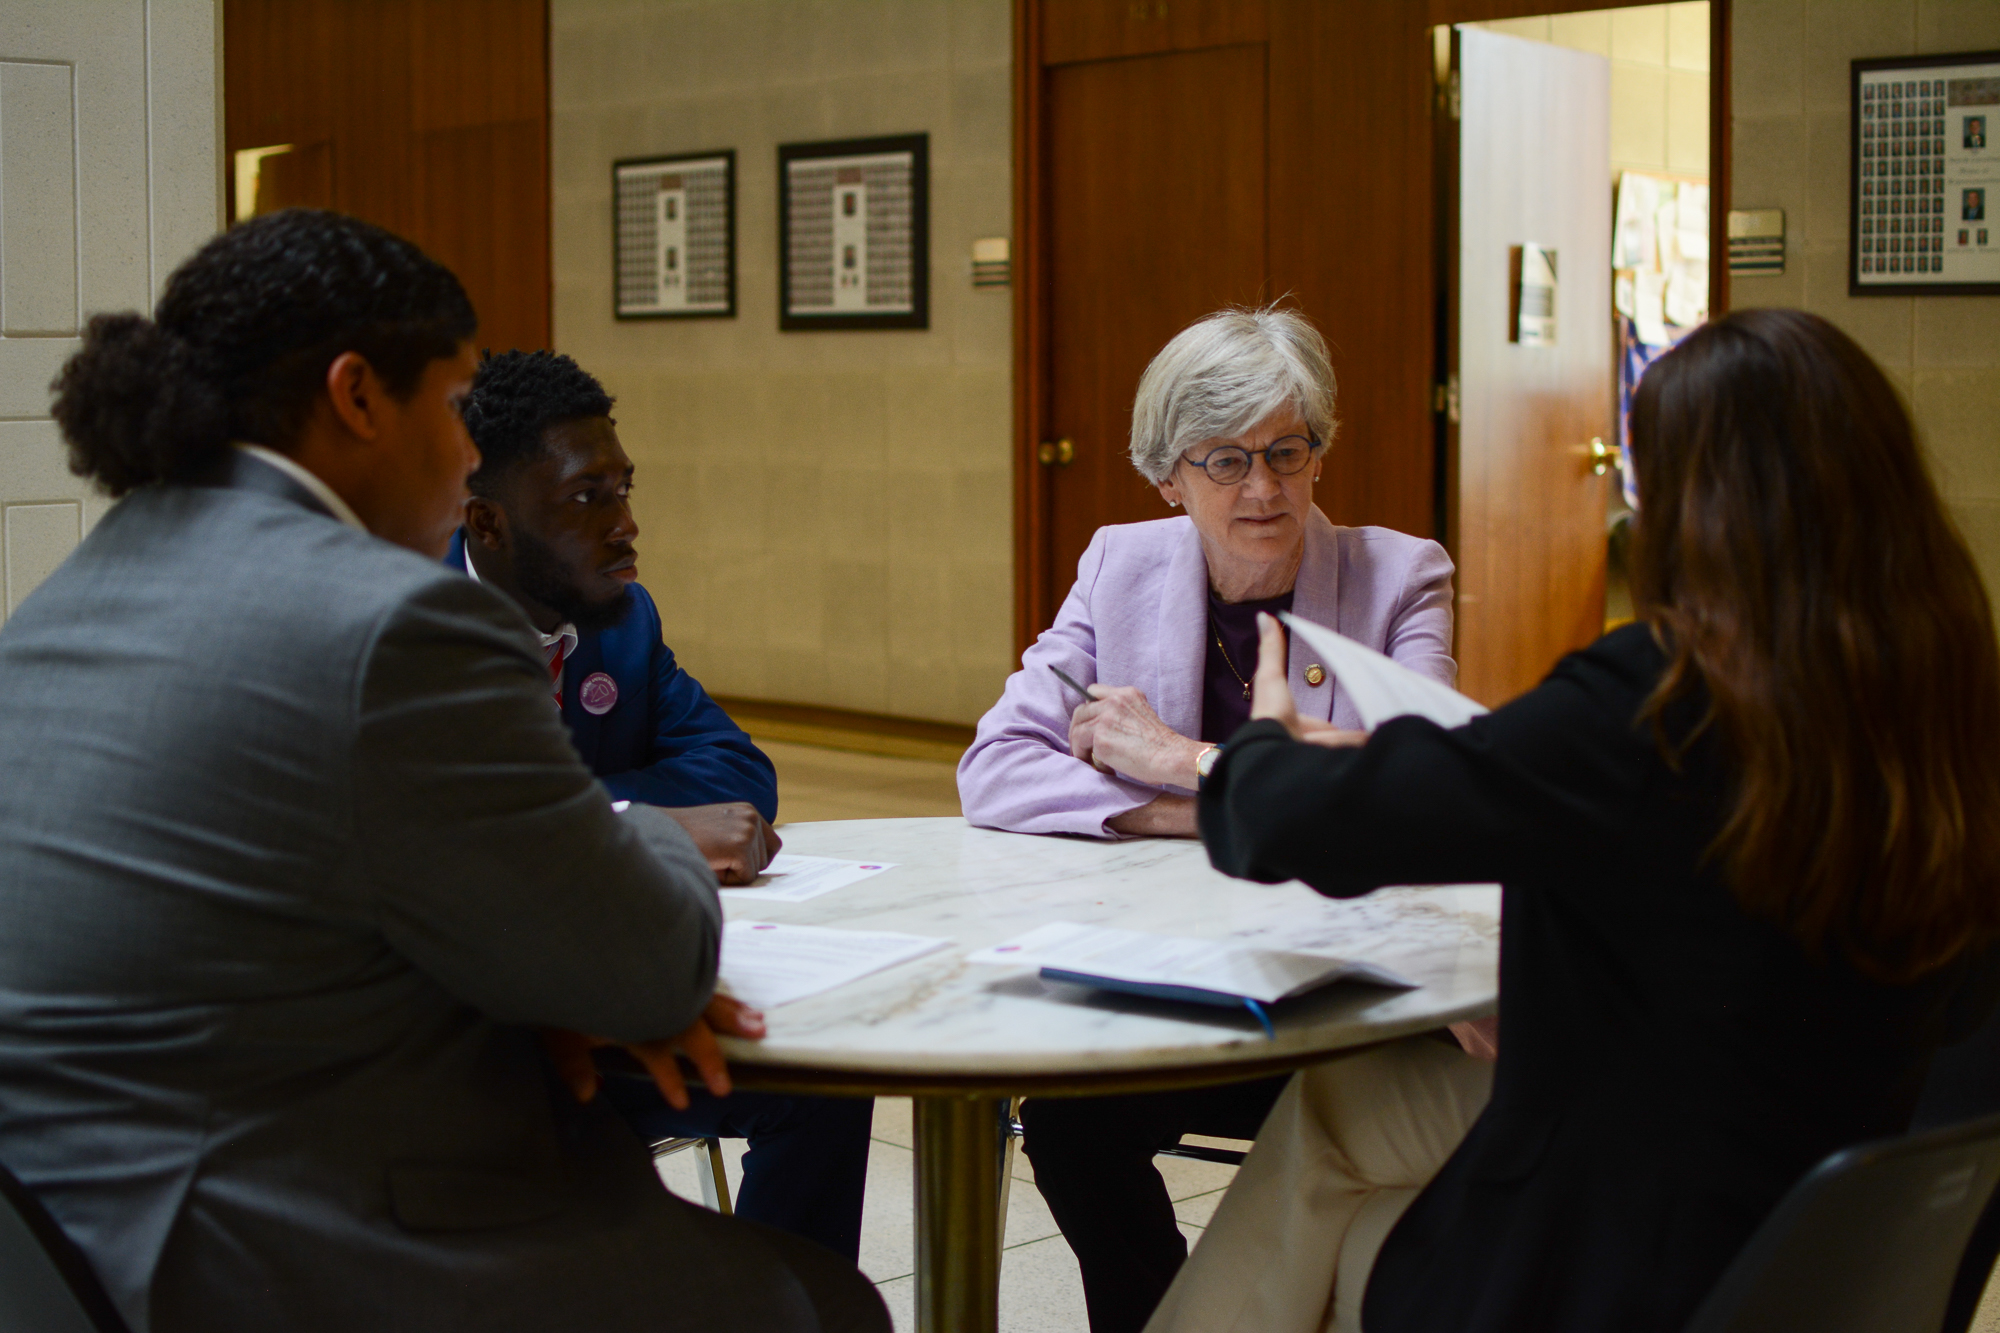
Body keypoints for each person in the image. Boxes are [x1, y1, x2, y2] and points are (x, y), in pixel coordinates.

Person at [0, 210, 887, 1333]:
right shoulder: (394, 620)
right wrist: (641, 841)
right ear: (358, 396)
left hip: (62, 1245)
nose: (470, 455)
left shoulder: (67, 598)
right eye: (456, 404)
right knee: (825, 1304)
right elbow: (655, 967)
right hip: (273, 1245)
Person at [1151, 307, 2000, 1333]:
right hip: (1828, 1226)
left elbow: (1295, 825)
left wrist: (1261, 746)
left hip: (1639, 1259)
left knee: (1334, 1244)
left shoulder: (1657, 705)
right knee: (1346, 1118)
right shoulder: (1947, 697)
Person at [956, 306, 1486, 1333]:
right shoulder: (1117, 566)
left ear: (1319, 452)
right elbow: (993, 769)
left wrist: (1182, 758)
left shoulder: (1399, 577)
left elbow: (1409, 791)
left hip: (1344, 989)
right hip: (1180, 978)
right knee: (1070, 1130)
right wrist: (1197, 812)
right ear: (1168, 477)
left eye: (1287, 451)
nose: (1263, 488)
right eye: (1225, 460)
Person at [449, 348, 874, 1263]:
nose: (626, 523)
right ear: (487, 521)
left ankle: (783, 1310)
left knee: (823, 1080)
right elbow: (453, 829)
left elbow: (737, 773)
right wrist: (629, 826)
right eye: (586, 497)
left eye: (624, 488)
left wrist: (584, 818)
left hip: (609, 1011)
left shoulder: (622, 618)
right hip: (478, 1043)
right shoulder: (413, 632)